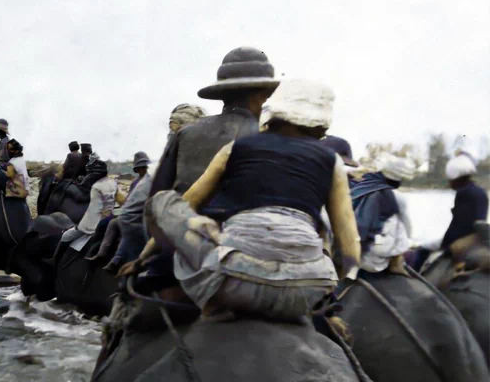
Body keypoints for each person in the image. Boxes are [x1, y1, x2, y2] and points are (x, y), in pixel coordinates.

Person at [123, 79, 361, 321]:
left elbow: (189, 204)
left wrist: (142, 259)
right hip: (306, 293)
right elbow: (350, 250)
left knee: (163, 203)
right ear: (322, 125)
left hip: (231, 283)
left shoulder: (234, 148)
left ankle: (211, 304)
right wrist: (326, 288)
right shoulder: (333, 165)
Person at [149, 47, 279, 196]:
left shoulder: (185, 134)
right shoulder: (267, 139)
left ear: (222, 93)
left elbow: (156, 199)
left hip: (183, 217)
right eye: (266, 95)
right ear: (259, 96)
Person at [411, 154, 489, 271]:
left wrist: (445, 244)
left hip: (462, 238)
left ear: (456, 178)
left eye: (450, 180)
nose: (449, 183)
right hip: (475, 237)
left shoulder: (463, 193)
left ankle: (415, 273)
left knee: (424, 248)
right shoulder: (480, 192)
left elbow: (457, 225)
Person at [350, 155, 415, 274]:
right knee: (398, 222)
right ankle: (396, 262)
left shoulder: (360, 186)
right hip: (372, 254)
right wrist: (409, 243)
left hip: (350, 251)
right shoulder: (395, 195)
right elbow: (407, 225)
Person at [101, 151, 152, 273]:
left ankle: (116, 259)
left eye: (144, 168)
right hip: (141, 213)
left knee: (121, 224)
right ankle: (104, 253)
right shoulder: (138, 182)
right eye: (140, 168)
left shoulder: (146, 181)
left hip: (144, 215)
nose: (142, 170)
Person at [59, 156, 125, 247]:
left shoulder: (95, 187)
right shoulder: (113, 183)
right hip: (110, 218)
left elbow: (91, 209)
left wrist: (78, 225)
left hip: (95, 223)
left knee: (65, 236)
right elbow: (122, 201)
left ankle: (54, 260)